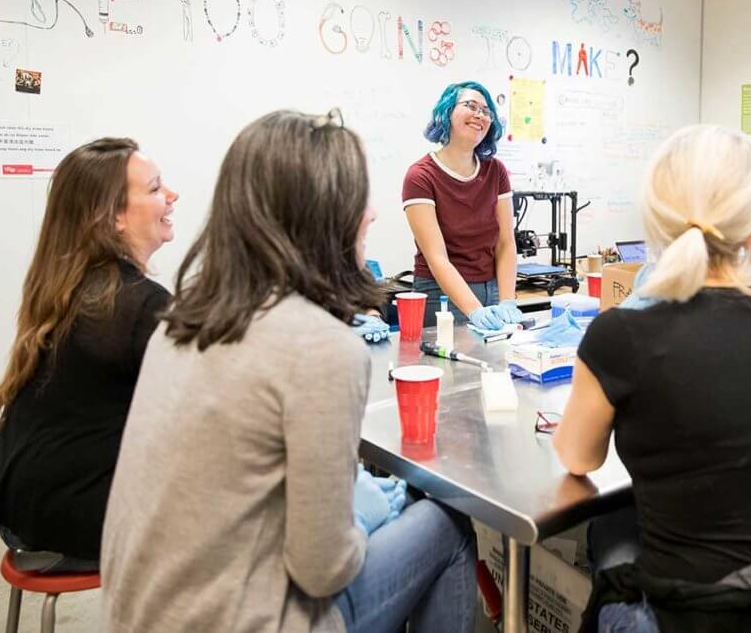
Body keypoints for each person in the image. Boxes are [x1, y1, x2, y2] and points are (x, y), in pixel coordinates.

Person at [100, 109, 477, 633]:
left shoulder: (181, 322)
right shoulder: (323, 348)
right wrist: (364, 520)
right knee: (448, 522)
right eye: (357, 196)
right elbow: (323, 569)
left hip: (141, 614)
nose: (370, 213)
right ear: (324, 214)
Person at [553, 125, 751, 632]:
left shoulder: (619, 335)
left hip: (707, 616)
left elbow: (578, 458)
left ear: (655, 224)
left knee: (609, 531)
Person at [0, 138, 177, 571]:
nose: (172, 196)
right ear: (109, 217)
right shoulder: (136, 304)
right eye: (154, 188)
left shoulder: (75, 287)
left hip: (21, 507)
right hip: (66, 520)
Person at [402, 81, 524, 330]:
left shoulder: (496, 171)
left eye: (486, 111)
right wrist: (475, 311)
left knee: (496, 366)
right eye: (471, 106)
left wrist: (507, 300)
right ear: (446, 112)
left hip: (493, 289)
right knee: (451, 367)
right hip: (441, 294)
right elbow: (437, 257)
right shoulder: (420, 176)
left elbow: (505, 242)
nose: (480, 114)